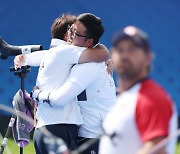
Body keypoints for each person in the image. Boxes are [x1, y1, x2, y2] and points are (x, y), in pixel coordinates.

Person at [14, 13, 110, 154]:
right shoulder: (68, 52)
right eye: (72, 30)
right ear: (67, 35)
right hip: (59, 128)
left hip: (44, 130)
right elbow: (102, 54)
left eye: (75, 31)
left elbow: (47, 55)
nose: (72, 34)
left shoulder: (56, 54)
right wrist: (105, 56)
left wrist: (25, 59)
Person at [99, 26, 177, 154]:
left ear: (148, 58)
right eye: (119, 49)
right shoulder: (126, 97)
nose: (124, 55)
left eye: (132, 49)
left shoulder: (151, 97)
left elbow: (156, 149)